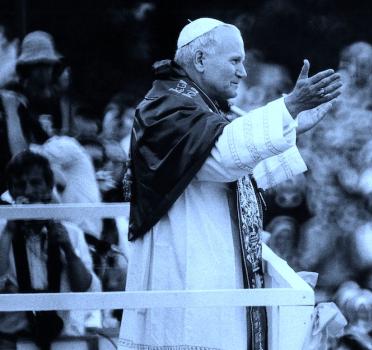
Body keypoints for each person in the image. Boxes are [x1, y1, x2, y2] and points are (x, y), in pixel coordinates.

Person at [118, 18, 342, 350]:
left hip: (209, 269)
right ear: (200, 60)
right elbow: (222, 158)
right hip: (186, 273)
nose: (243, 72)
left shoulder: (199, 105)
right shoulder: (166, 107)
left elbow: (240, 172)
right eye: (235, 61)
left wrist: (292, 125)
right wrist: (289, 107)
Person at [0, 150, 100, 349]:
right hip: (12, 339)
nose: (28, 192)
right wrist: (9, 232)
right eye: (20, 185)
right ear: (11, 192)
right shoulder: (3, 231)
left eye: (36, 183)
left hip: (62, 338)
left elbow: (84, 289)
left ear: (48, 188)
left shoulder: (70, 233)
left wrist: (68, 250)